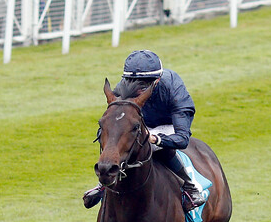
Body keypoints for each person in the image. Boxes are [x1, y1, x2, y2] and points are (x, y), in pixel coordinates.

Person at [83, 50, 207, 211]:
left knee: (157, 148)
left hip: (168, 124)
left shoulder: (173, 89)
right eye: (133, 81)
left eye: (145, 83)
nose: (137, 87)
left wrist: (155, 139)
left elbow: (182, 139)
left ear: (158, 80)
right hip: (140, 123)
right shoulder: (124, 85)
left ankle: (190, 186)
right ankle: (103, 184)